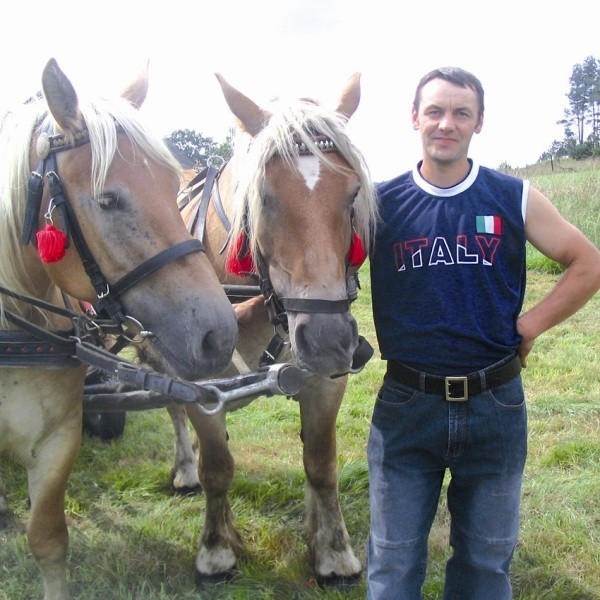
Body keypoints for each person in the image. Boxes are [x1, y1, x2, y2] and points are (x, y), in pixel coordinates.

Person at [366, 66, 600, 599]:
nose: (446, 123)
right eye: (435, 111)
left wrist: (531, 323)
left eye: (460, 113)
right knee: (393, 563)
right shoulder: (379, 205)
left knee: (485, 564)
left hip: (495, 406)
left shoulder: (512, 196)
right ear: (414, 119)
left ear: (478, 123)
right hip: (406, 407)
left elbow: (588, 263)